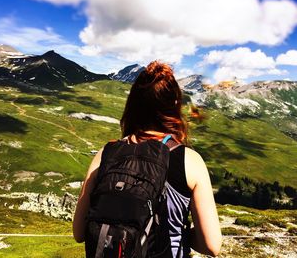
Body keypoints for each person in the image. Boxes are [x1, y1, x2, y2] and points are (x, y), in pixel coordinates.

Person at [73, 61, 222, 257]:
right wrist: (180, 233)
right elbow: (212, 245)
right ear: (175, 106)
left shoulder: (105, 153)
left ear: (133, 104)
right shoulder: (190, 160)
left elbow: (79, 232)